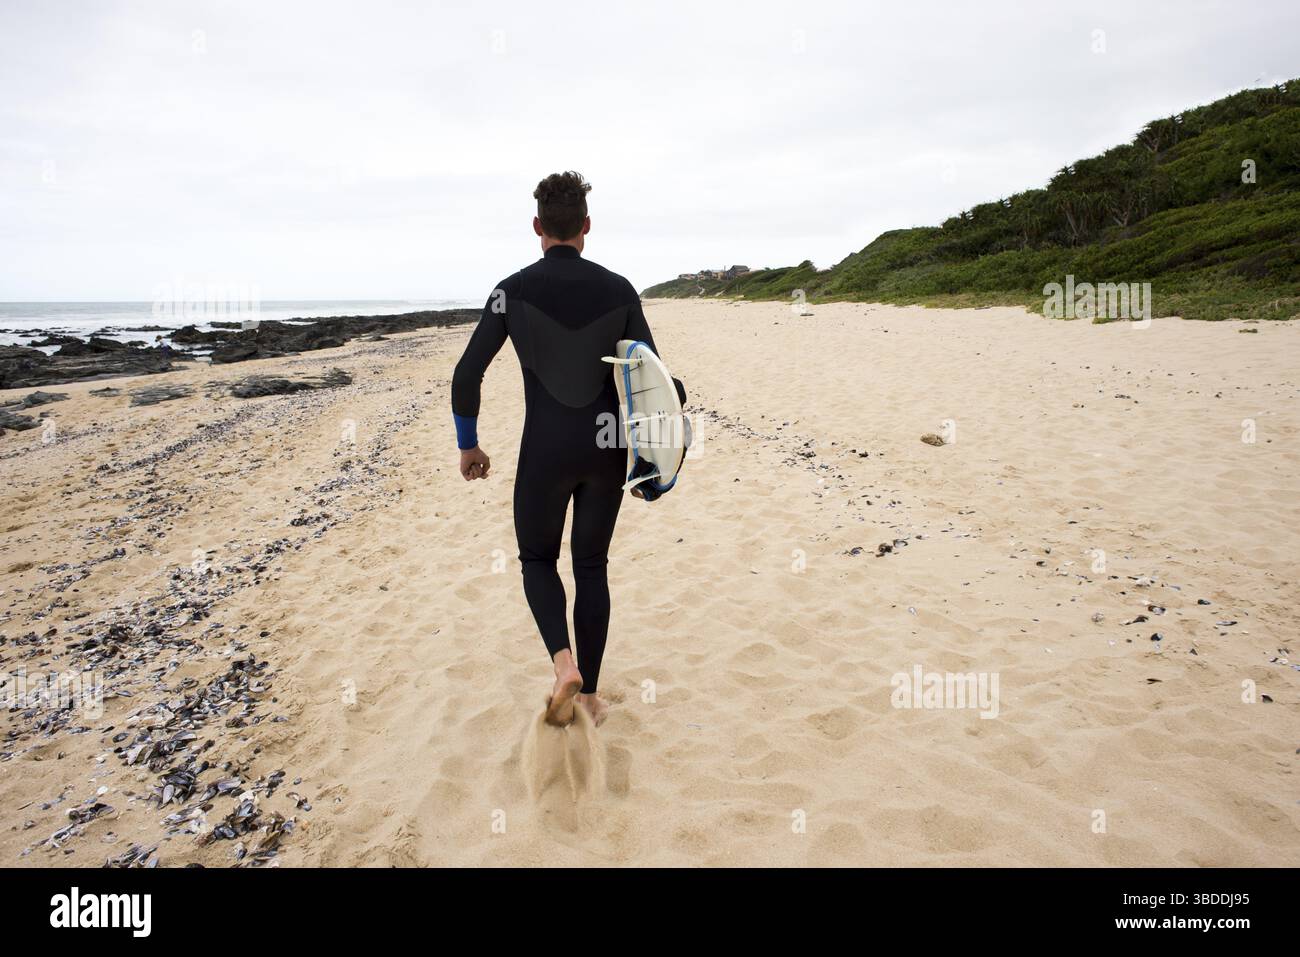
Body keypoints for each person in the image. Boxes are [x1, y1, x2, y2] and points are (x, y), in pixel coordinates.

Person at [451, 171, 666, 728]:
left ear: (537, 226)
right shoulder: (618, 290)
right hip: (605, 448)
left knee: (537, 560)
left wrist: (468, 445)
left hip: (544, 449)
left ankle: (563, 664)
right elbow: (655, 380)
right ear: (586, 227)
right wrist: (655, 460)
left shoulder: (510, 290)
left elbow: (466, 374)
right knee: (591, 565)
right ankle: (590, 695)